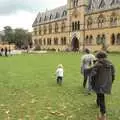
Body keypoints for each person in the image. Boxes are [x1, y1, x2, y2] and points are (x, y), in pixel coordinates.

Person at [89, 51, 115, 119]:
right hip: (106, 83)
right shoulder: (111, 64)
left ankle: (103, 115)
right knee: (100, 95)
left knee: (101, 98)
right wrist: (110, 82)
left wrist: (92, 83)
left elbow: (93, 75)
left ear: (99, 57)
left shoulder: (98, 64)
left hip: (99, 84)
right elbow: (113, 74)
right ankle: (98, 104)